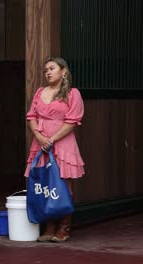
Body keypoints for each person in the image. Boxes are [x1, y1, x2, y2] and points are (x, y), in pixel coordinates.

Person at [24, 57, 85, 243]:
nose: (48, 72)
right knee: (45, 184)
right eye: (45, 70)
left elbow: (72, 121)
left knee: (63, 185)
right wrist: (41, 138)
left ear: (63, 71)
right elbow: (32, 116)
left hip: (62, 142)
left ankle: (64, 227)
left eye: (52, 68)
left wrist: (51, 139)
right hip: (41, 142)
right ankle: (49, 226)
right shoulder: (40, 92)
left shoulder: (73, 93)